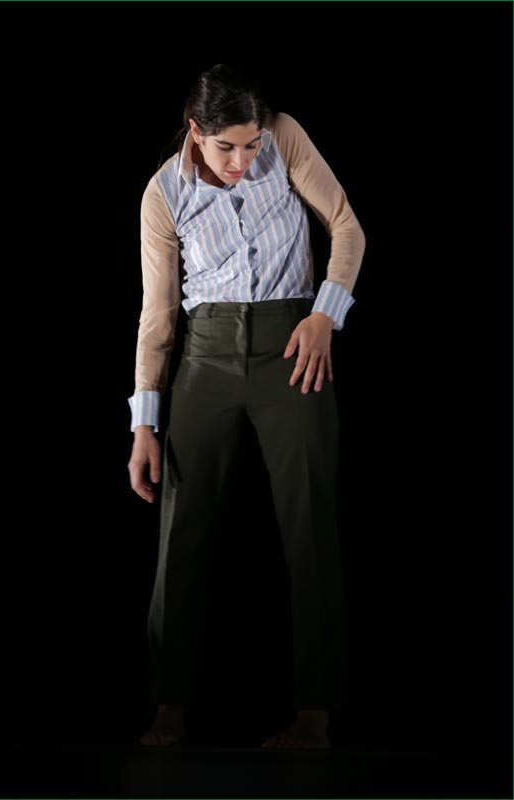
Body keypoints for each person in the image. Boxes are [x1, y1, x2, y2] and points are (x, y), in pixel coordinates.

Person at [127, 64, 366, 749]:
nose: (242, 160)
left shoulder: (283, 135)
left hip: (293, 346)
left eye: (251, 144)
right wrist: (143, 424)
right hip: (204, 355)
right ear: (194, 130)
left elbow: (346, 226)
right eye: (226, 146)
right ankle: (169, 707)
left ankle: (314, 716)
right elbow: (156, 316)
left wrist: (324, 316)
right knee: (181, 533)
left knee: (309, 526)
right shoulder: (162, 192)